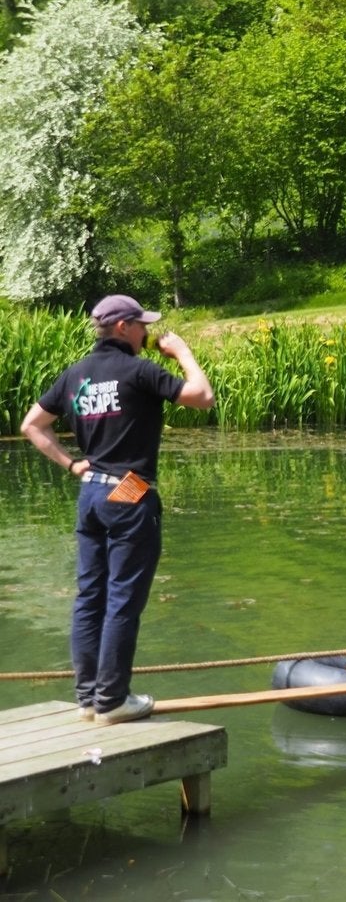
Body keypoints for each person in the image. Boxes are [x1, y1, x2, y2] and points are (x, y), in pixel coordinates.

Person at [21, 294, 214, 725]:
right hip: (128, 493)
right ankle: (112, 700)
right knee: (123, 600)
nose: (147, 332)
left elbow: (31, 425)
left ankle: (89, 698)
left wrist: (71, 463)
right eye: (142, 325)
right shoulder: (139, 371)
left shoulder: (75, 375)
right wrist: (183, 352)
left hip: (91, 493)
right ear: (123, 327)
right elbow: (203, 396)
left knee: (90, 598)